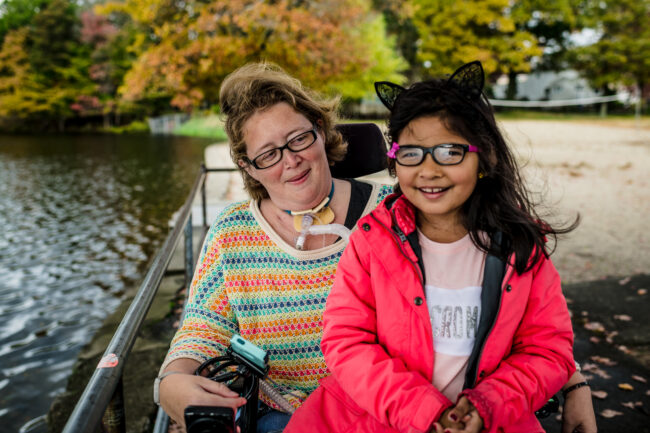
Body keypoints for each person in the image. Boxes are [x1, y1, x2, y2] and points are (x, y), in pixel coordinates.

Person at [284, 61, 594, 433]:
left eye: (449, 152)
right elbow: (346, 341)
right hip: (374, 420)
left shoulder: (521, 248)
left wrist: (487, 406)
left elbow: (548, 349)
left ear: (485, 158)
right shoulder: (371, 241)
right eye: (411, 153)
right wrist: (423, 411)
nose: (428, 170)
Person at [155, 62, 392, 433]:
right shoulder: (233, 231)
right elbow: (204, 327)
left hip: (382, 408)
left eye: (299, 139)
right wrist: (172, 382)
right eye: (268, 154)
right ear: (250, 168)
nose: (290, 160)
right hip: (278, 416)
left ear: (321, 130)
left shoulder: (393, 212)